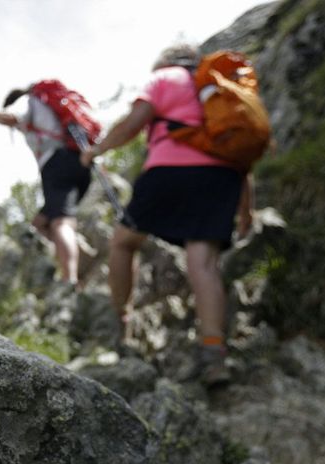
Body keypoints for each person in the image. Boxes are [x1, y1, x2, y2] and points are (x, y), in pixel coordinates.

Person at [81, 43, 253, 385]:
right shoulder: (221, 88)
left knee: (123, 242)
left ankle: (123, 326)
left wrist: (97, 150)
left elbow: (134, 123)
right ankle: (214, 355)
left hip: (169, 170)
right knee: (203, 265)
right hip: (222, 177)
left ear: (166, 61)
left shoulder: (165, 77)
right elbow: (240, 150)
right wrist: (247, 208)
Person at [0, 85, 92, 288]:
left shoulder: (28, 101)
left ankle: (70, 280)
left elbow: (13, 117)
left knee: (60, 223)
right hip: (81, 164)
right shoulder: (49, 107)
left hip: (57, 164)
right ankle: (75, 253)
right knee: (40, 223)